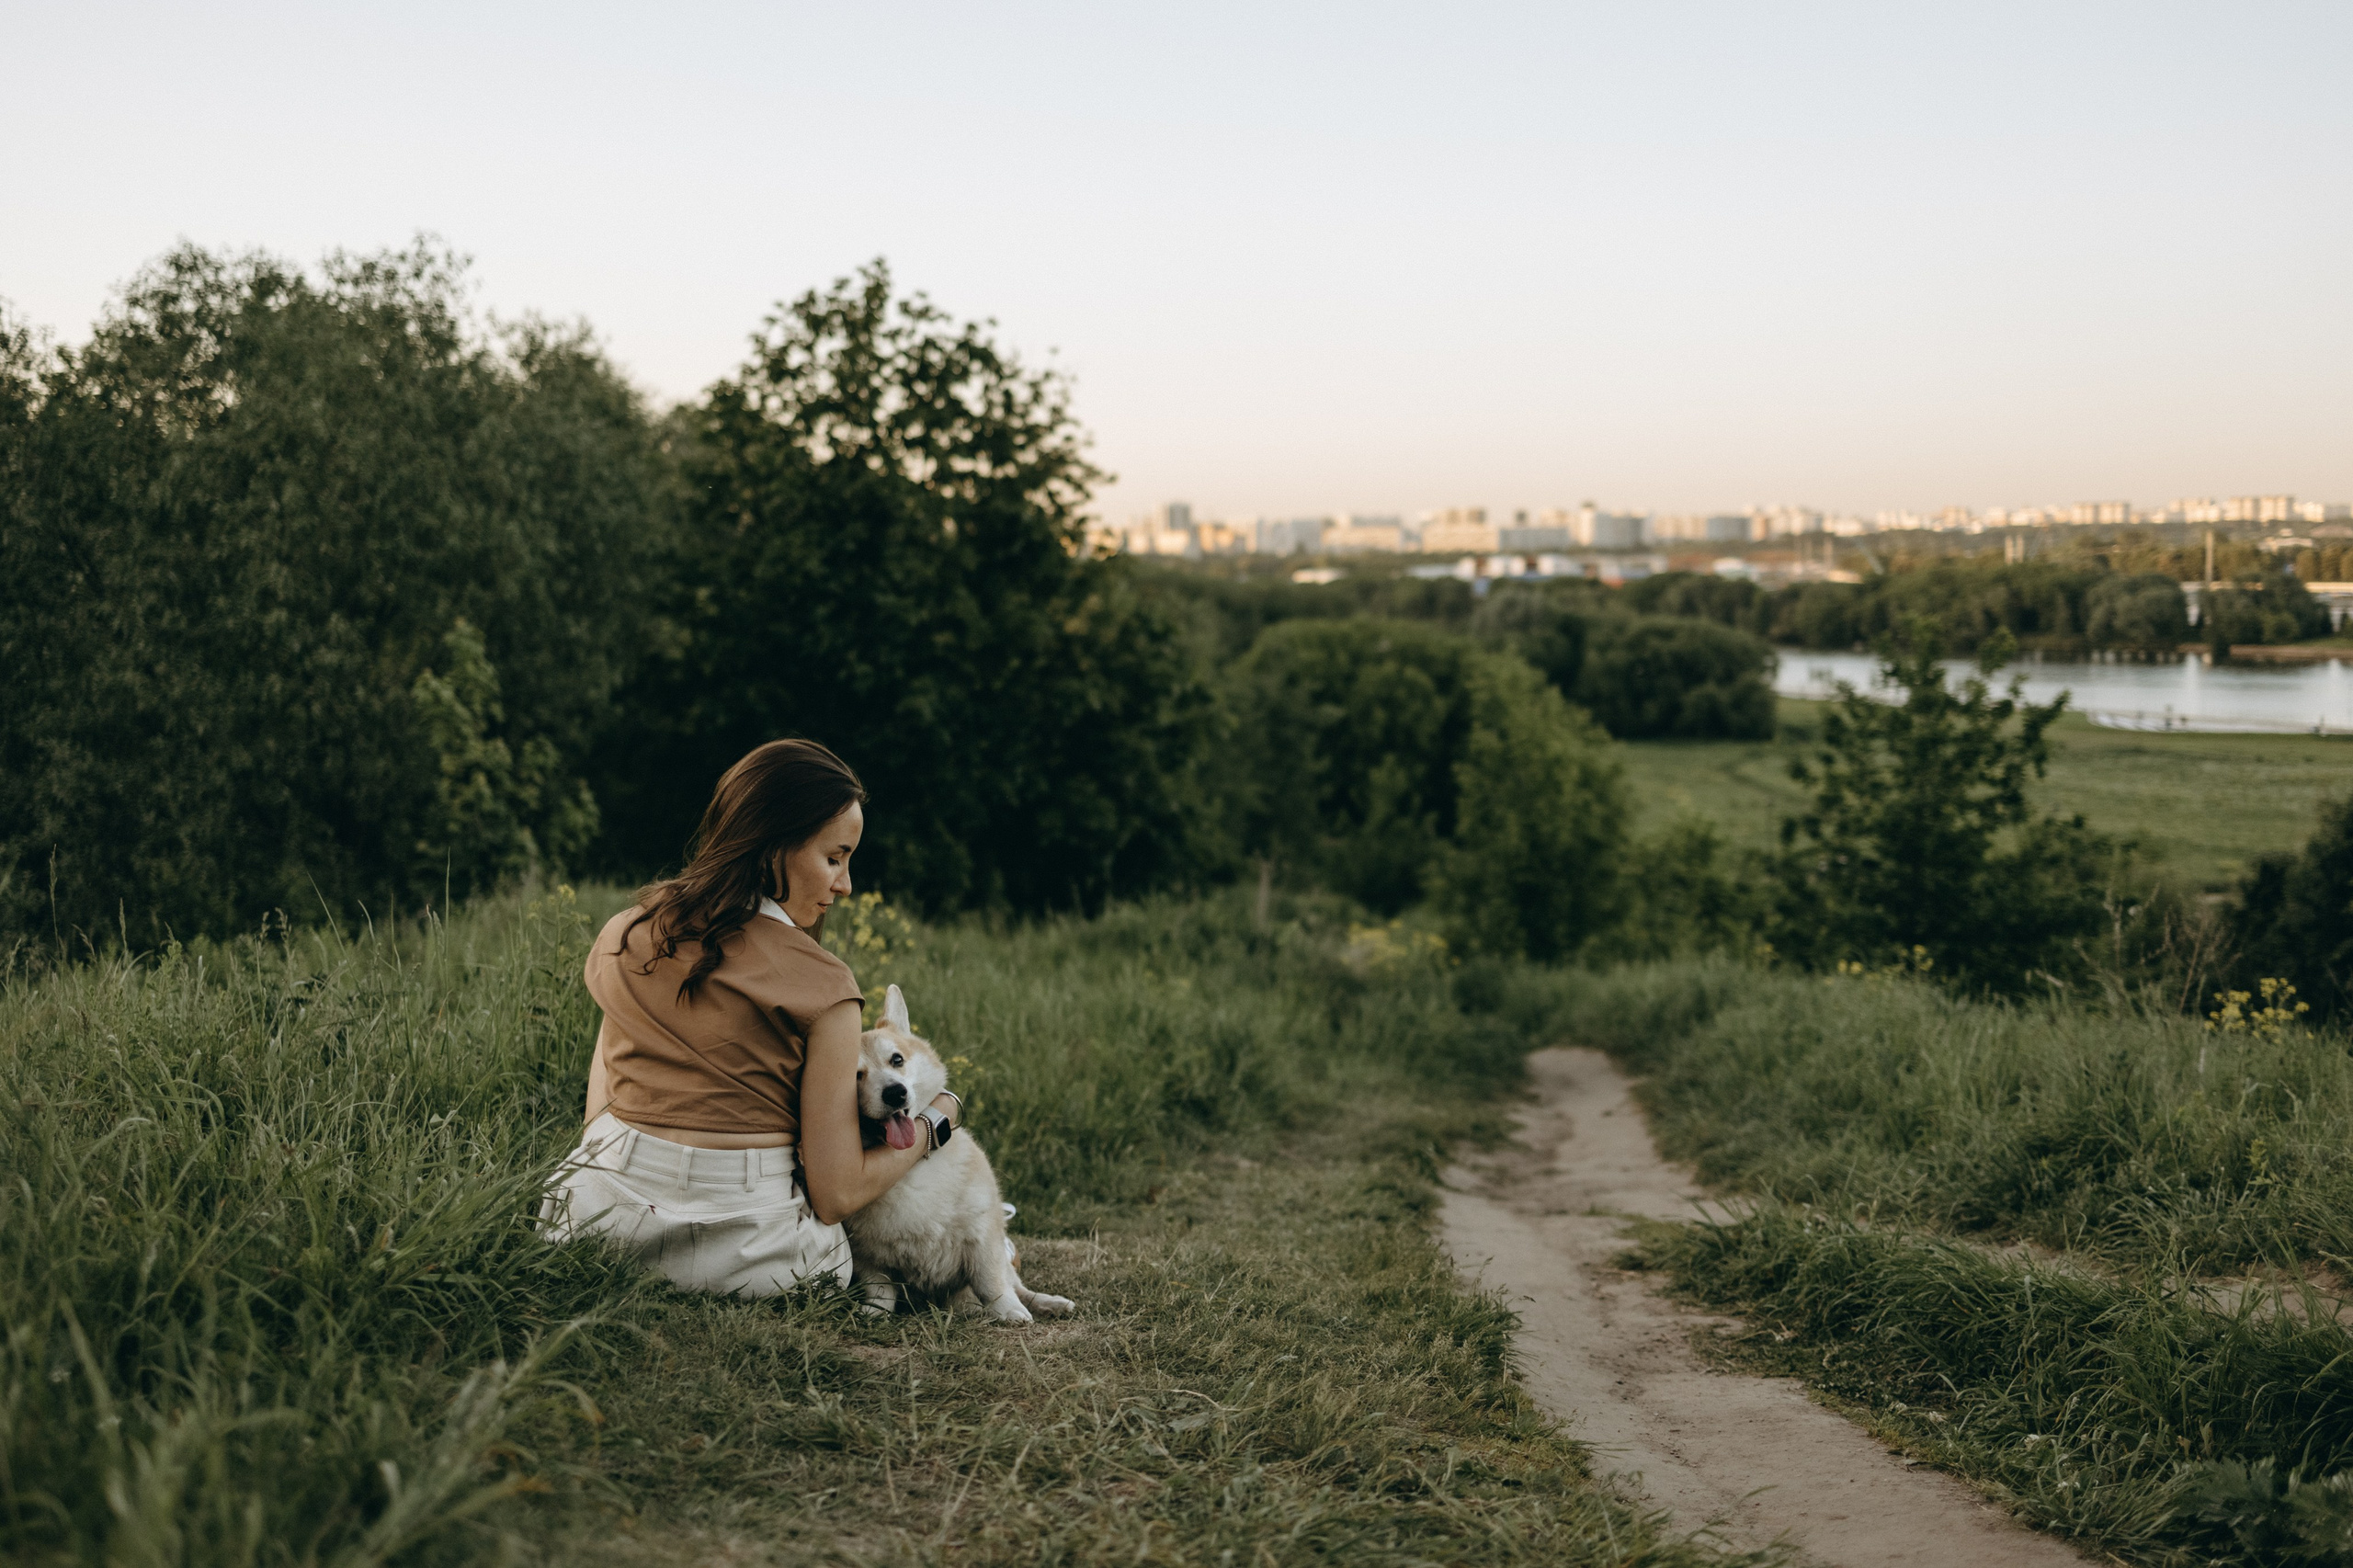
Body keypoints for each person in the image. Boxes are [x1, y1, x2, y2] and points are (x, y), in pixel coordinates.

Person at [540, 739, 958, 1296]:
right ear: (772, 847)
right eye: (834, 858)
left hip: (595, 1224)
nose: (845, 883)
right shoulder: (826, 985)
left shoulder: (625, 933)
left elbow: (599, 1116)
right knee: (834, 1256)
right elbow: (836, 1193)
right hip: (752, 1253)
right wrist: (938, 1120)